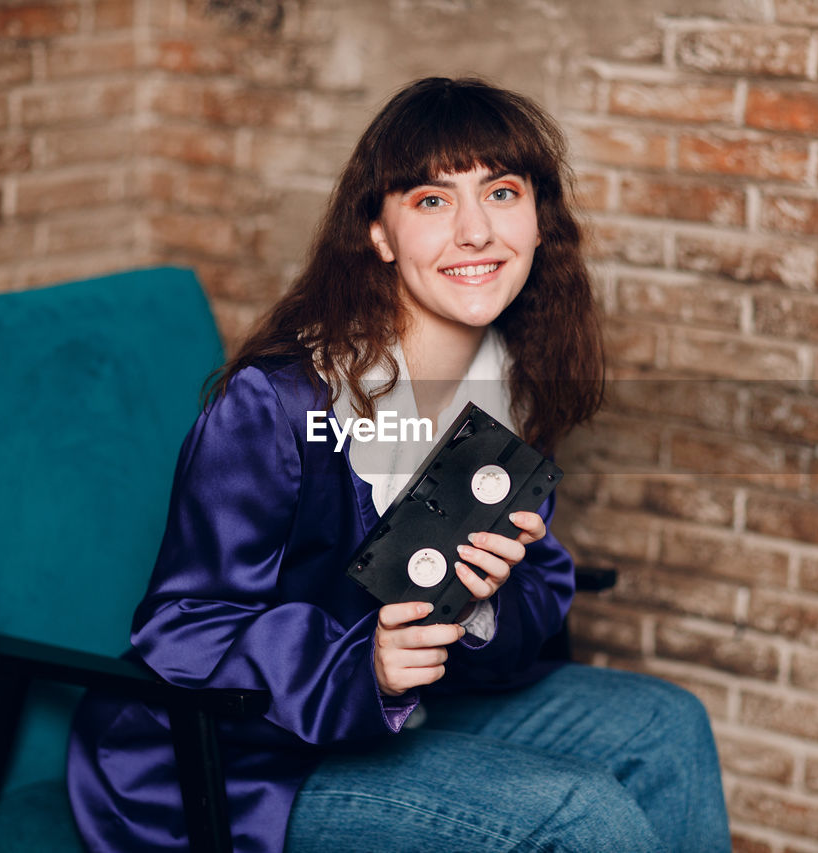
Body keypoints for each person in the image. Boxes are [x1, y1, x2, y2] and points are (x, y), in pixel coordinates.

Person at [67, 76, 730, 852]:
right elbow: (185, 631)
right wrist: (364, 665)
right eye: (432, 201)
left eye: (503, 192)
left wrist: (486, 599)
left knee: (667, 725)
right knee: (576, 814)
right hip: (235, 760)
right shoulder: (276, 404)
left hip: (412, 707)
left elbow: (525, 592)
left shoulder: (513, 381)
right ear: (379, 233)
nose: (477, 231)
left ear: (540, 221)